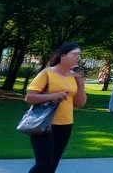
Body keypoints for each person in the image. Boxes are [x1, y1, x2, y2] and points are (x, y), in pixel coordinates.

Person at [25, 41, 87, 173]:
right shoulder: (47, 73)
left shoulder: (74, 76)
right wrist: (53, 96)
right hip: (45, 124)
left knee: (52, 165)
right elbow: (29, 97)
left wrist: (81, 86)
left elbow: (79, 103)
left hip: (65, 125)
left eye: (79, 55)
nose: (78, 58)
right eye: (75, 55)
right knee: (44, 164)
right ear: (63, 55)